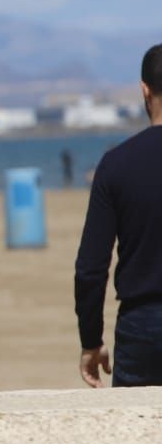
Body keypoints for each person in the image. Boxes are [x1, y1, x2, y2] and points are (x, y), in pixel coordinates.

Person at [75, 44, 162, 388]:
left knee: (141, 437)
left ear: (144, 89)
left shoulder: (116, 164)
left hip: (140, 324)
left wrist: (91, 340)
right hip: (139, 323)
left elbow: (91, 268)